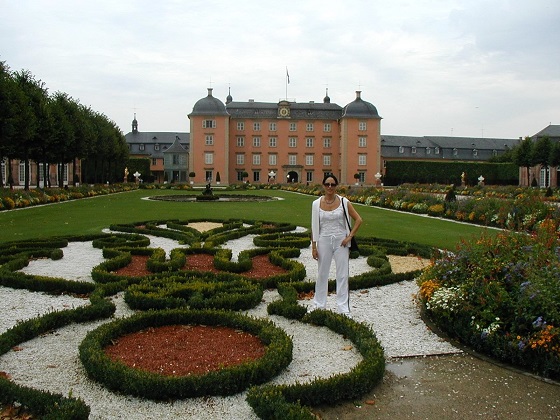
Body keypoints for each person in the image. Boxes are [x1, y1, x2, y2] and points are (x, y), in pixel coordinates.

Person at [311, 174, 362, 317]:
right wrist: (314, 246)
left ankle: (343, 308)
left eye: (333, 185)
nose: (330, 187)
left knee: (342, 275)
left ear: (336, 186)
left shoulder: (344, 202)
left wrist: (349, 237)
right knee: (322, 273)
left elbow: (358, 220)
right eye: (327, 184)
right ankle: (319, 305)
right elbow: (314, 226)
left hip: (341, 241)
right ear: (323, 185)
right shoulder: (316, 204)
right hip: (323, 240)